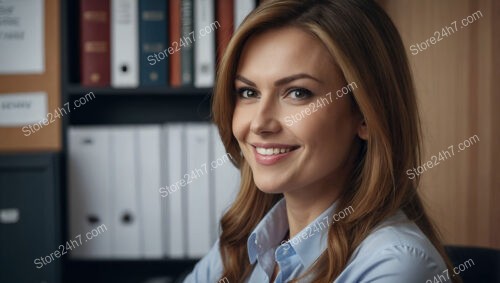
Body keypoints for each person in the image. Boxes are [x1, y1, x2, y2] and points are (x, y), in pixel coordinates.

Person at [184, 0, 459, 282]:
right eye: (248, 92)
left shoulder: (398, 266)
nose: (259, 124)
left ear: (366, 114)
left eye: (298, 93)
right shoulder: (242, 245)